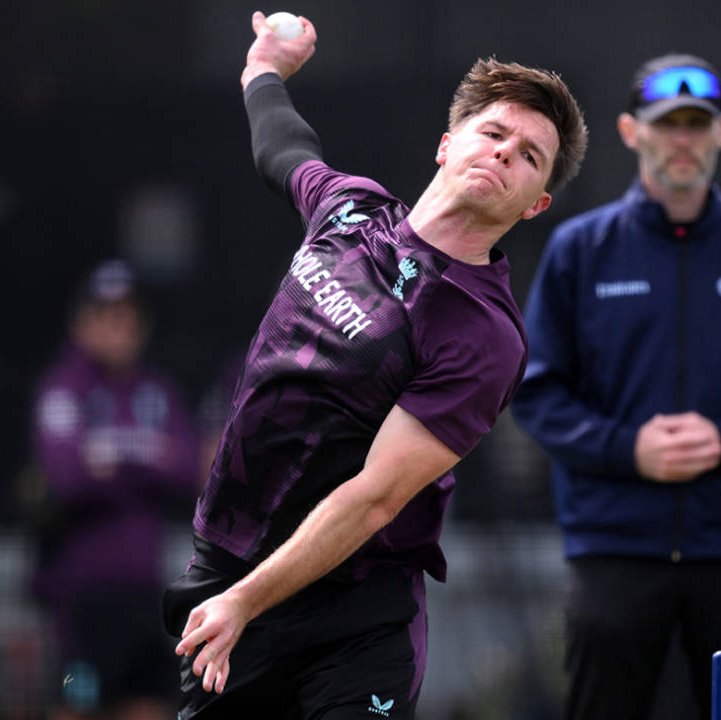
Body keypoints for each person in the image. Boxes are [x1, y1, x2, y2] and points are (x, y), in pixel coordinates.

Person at [161, 11, 587, 720]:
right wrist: (262, 68)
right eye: (493, 133)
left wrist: (244, 602)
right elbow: (282, 145)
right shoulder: (350, 213)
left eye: (529, 155)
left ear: (535, 203)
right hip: (229, 564)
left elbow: (376, 498)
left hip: (353, 616)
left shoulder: (484, 334)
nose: (505, 153)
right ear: (448, 145)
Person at [511, 53, 721, 720]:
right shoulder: (581, 250)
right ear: (632, 132)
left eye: (699, 123)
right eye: (668, 124)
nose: (684, 140)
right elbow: (536, 394)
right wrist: (627, 448)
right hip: (613, 551)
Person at [30, 258, 200, 720]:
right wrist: (148, 458)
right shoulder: (64, 389)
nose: (120, 327)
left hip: (143, 593)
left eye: (129, 316)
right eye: (107, 315)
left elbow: (189, 470)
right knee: (76, 704)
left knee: (148, 705)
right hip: (82, 600)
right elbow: (68, 478)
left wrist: (112, 459)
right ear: (81, 323)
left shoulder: (158, 391)